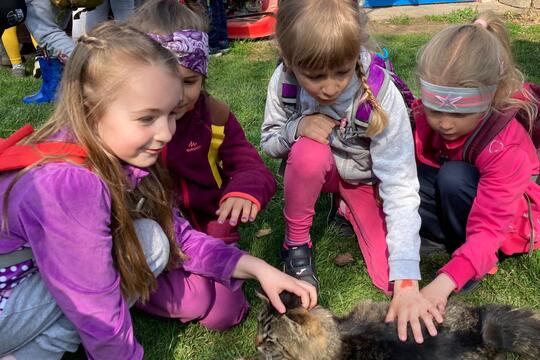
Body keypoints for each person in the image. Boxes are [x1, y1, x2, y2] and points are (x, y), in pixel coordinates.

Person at [0, 21, 316, 359]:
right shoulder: (71, 185)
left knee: (151, 239)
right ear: (92, 110)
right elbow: (96, 309)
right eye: (148, 118)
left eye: (170, 113)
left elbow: (178, 235)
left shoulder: (109, 152)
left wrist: (258, 268)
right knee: (100, 291)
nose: (166, 132)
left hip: (23, 290)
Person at [260, 0, 442, 344]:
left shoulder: (379, 90)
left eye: (341, 72)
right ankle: (296, 245)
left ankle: (345, 208)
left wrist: (406, 279)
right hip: (315, 168)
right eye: (313, 76)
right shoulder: (283, 80)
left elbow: (400, 183)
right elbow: (269, 141)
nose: (328, 88)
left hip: (362, 179)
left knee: (390, 279)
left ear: (356, 52)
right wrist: (298, 127)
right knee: (310, 153)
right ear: (289, 57)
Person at [415, 12, 539, 314]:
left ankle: (470, 264)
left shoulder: (505, 146)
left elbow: (491, 223)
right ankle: (443, 237)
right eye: (434, 110)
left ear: (491, 96)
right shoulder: (426, 116)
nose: (444, 123)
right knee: (413, 173)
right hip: (465, 196)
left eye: (459, 114)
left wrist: (446, 280)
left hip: (505, 220)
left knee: (453, 177)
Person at [126, 0, 276, 245]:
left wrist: (243, 192)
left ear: (203, 76)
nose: (178, 96)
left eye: (189, 81)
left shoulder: (215, 116)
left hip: (211, 224)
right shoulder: (126, 124)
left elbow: (251, 166)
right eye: (165, 82)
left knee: (218, 275)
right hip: (152, 227)